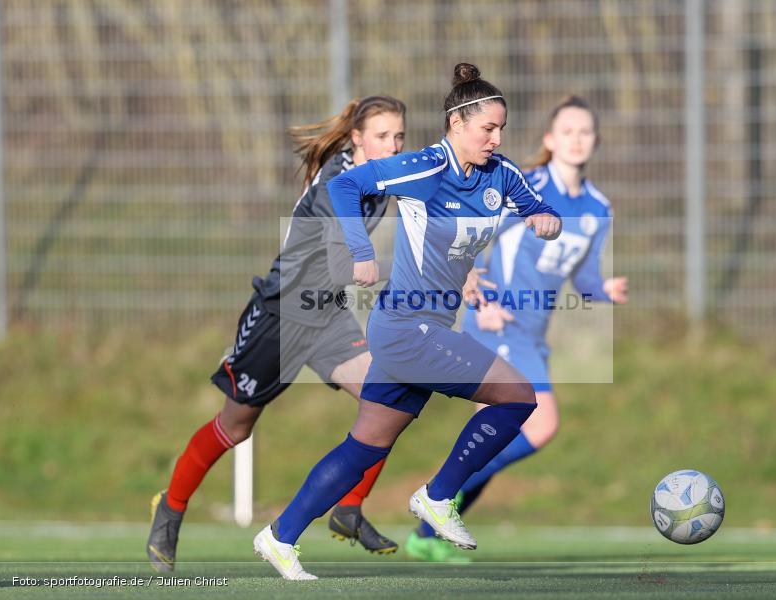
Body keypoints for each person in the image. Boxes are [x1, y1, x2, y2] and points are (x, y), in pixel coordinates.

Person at [250, 63, 562, 581]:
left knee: (364, 447)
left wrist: (545, 220)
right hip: (405, 327)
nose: (497, 138)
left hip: (428, 326)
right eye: (488, 128)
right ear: (456, 123)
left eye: (501, 128)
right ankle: (439, 496)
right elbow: (346, 185)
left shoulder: (501, 174)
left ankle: (279, 536)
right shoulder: (425, 167)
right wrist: (361, 250)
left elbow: (537, 208)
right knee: (518, 396)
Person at [146, 96, 409, 572]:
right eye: (382, 136)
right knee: (235, 427)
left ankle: (348, 509)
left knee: (389, 400)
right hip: (281, 316)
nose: (393, 146)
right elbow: (344, 266)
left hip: (326, 315)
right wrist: (412, 273)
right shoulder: (337, 185)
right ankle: (171, 508)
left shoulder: (381, 178)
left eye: (399, 137)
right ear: (357, 139)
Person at [406, 95, 629, 562]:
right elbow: (468, 233)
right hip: (498, 320)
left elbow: (584, 278)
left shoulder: (597, 207)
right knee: (542, 423)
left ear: (595, 141)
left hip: (531, 335)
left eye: (585, 132)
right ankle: (440, 493)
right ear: (551, 139)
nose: (576, 139)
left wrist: (602, 289)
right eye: (567, 131)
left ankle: (428, 532)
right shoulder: (526, 187)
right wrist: (476, 292)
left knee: (492, 438)